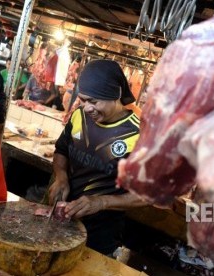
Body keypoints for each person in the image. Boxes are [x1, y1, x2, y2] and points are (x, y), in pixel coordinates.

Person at [48, 59, 148, 256]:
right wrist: (61, 177)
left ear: (116, 95)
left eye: (93, 101)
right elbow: (61, 150)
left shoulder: (139, 135)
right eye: (83, 100)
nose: (86, 108)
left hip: (99, 236)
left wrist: (101, 202)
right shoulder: (79, 116)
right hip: (61, 221)